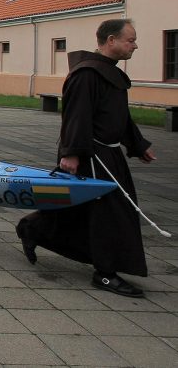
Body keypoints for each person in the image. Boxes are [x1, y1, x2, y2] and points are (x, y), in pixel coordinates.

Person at [16, 19, 156, 297]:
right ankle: (105, 274)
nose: (135, 45)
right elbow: (76, 116)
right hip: (92, 154)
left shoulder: (108, 73)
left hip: (108, 153)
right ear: (111, 40)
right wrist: (71, 153)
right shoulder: (87, 74)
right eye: (131, 40)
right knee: (111, 214)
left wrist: (138, 145)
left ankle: (32, 229)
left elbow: (120, 118)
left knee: (76, 209)